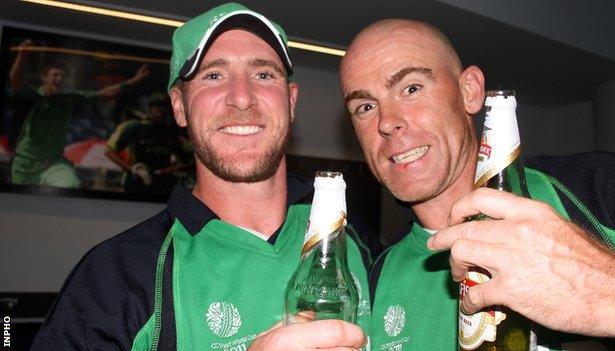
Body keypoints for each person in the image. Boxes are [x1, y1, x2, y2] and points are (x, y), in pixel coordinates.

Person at [31, 3, 373, 350]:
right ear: (179, 106)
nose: (242, 98)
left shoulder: (359, 243)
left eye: (264, 74)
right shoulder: (116, 275)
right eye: (213, 75)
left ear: (291, 100)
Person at [339, 19, 615, 350]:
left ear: (469, 92)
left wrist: (606, 290)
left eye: (412, 88)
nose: (386, 122)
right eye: (365, 107)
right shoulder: (377, 274)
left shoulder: (598, 190)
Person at [8, 39, 149, 188]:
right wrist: (21, 56)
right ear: (44, 77)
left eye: (62, 76)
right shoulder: (32, 97)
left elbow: (105, 94)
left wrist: (134, 80)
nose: (59, 79)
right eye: (55, 75)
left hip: (54, 165)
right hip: (25, 166)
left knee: (71, 185)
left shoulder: (68, 98)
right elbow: (16, 82)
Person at [105, 92, 190, 194]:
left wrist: (172, 169)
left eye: (164, 105)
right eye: (156, 105)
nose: (160, 109)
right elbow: (109, 151)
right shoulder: (134, 127)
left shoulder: (172, 131)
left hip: (163, 187)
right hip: (135, 184)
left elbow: (186, 160)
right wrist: (133, 169)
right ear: (149, 107)